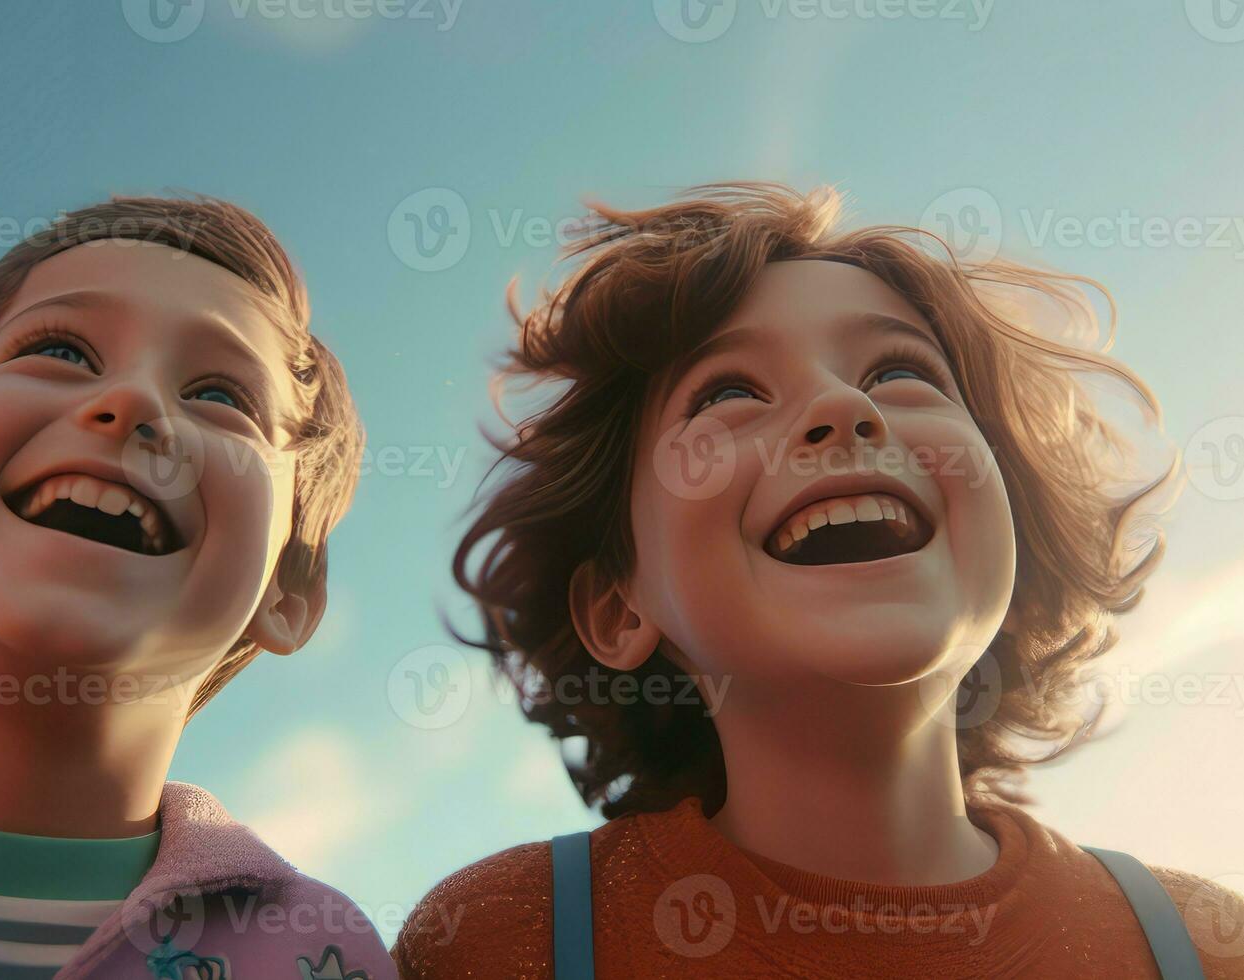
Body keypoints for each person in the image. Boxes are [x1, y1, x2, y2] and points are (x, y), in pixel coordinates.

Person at [393, 182, 1244, 978]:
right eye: (728, 392)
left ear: (1011, 529)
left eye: (898, 373)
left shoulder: (1199, 944)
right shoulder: (502, 939)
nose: (840, 407)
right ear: (619, 606)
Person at [0, 196, 395, 979]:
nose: (134, 403)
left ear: (285, 597)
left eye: (223, 398)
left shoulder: (329, 955)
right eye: (61, 351)